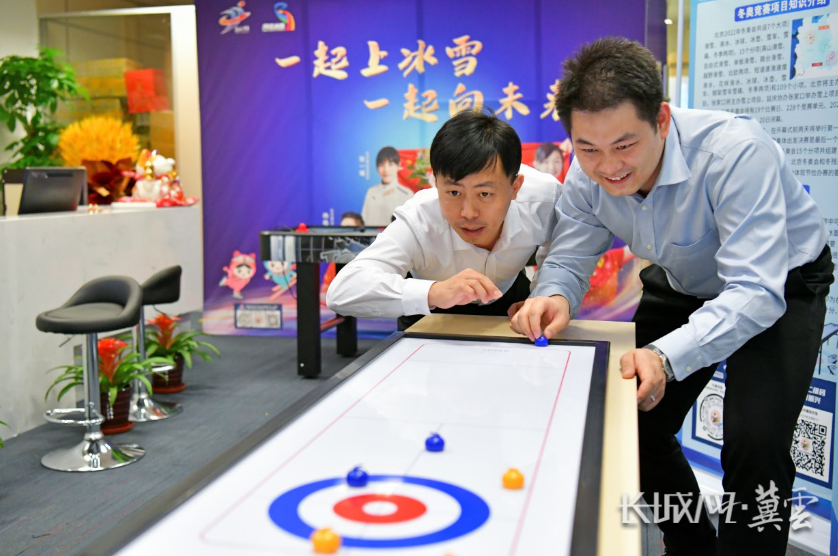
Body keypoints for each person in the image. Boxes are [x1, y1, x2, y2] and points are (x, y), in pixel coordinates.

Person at [510, 37, 833, 556]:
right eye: (588, 149)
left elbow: (754, 290)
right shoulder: (586, 174)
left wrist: (664, 356)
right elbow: (569, 257)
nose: (608, 167)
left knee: (755, 444)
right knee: (629, 423)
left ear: (660, 119)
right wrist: (554, 296)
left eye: (624, 146)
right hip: (684, 279)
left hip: (778, 283)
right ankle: (691, 546)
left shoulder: (735, 153)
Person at [327, 109, 560, 330]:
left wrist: (542, 293)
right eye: (454, 192)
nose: (468, 213)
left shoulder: (544, 198)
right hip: (431, 310)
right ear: (436, 183)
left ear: (515, 187)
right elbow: (343, 291)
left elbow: (563, 252)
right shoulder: (420, 219)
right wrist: (434, 292)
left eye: (484, 194)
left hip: (509, 300)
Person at [361, 147, 414, 226]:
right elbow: (364, 220)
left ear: (398, 165)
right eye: (381, 165)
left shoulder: (407, 194)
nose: (386, 170)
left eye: (390, 165)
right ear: (377, 167)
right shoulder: (371, 191)